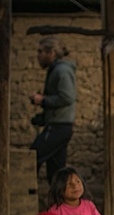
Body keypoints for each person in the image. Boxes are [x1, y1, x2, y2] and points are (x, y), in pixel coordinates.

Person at [30, 36, 76, 198]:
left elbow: (67, 98)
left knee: (31, 158)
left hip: (58, 128)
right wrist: (42, 117)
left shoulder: (61, 71)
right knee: (56, 175)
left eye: (41, 52)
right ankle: (61, 210)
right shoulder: (55, 70)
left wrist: (42, 100)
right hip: (58, 126)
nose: (38, 56)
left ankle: (21, 198)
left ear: (51, 53)